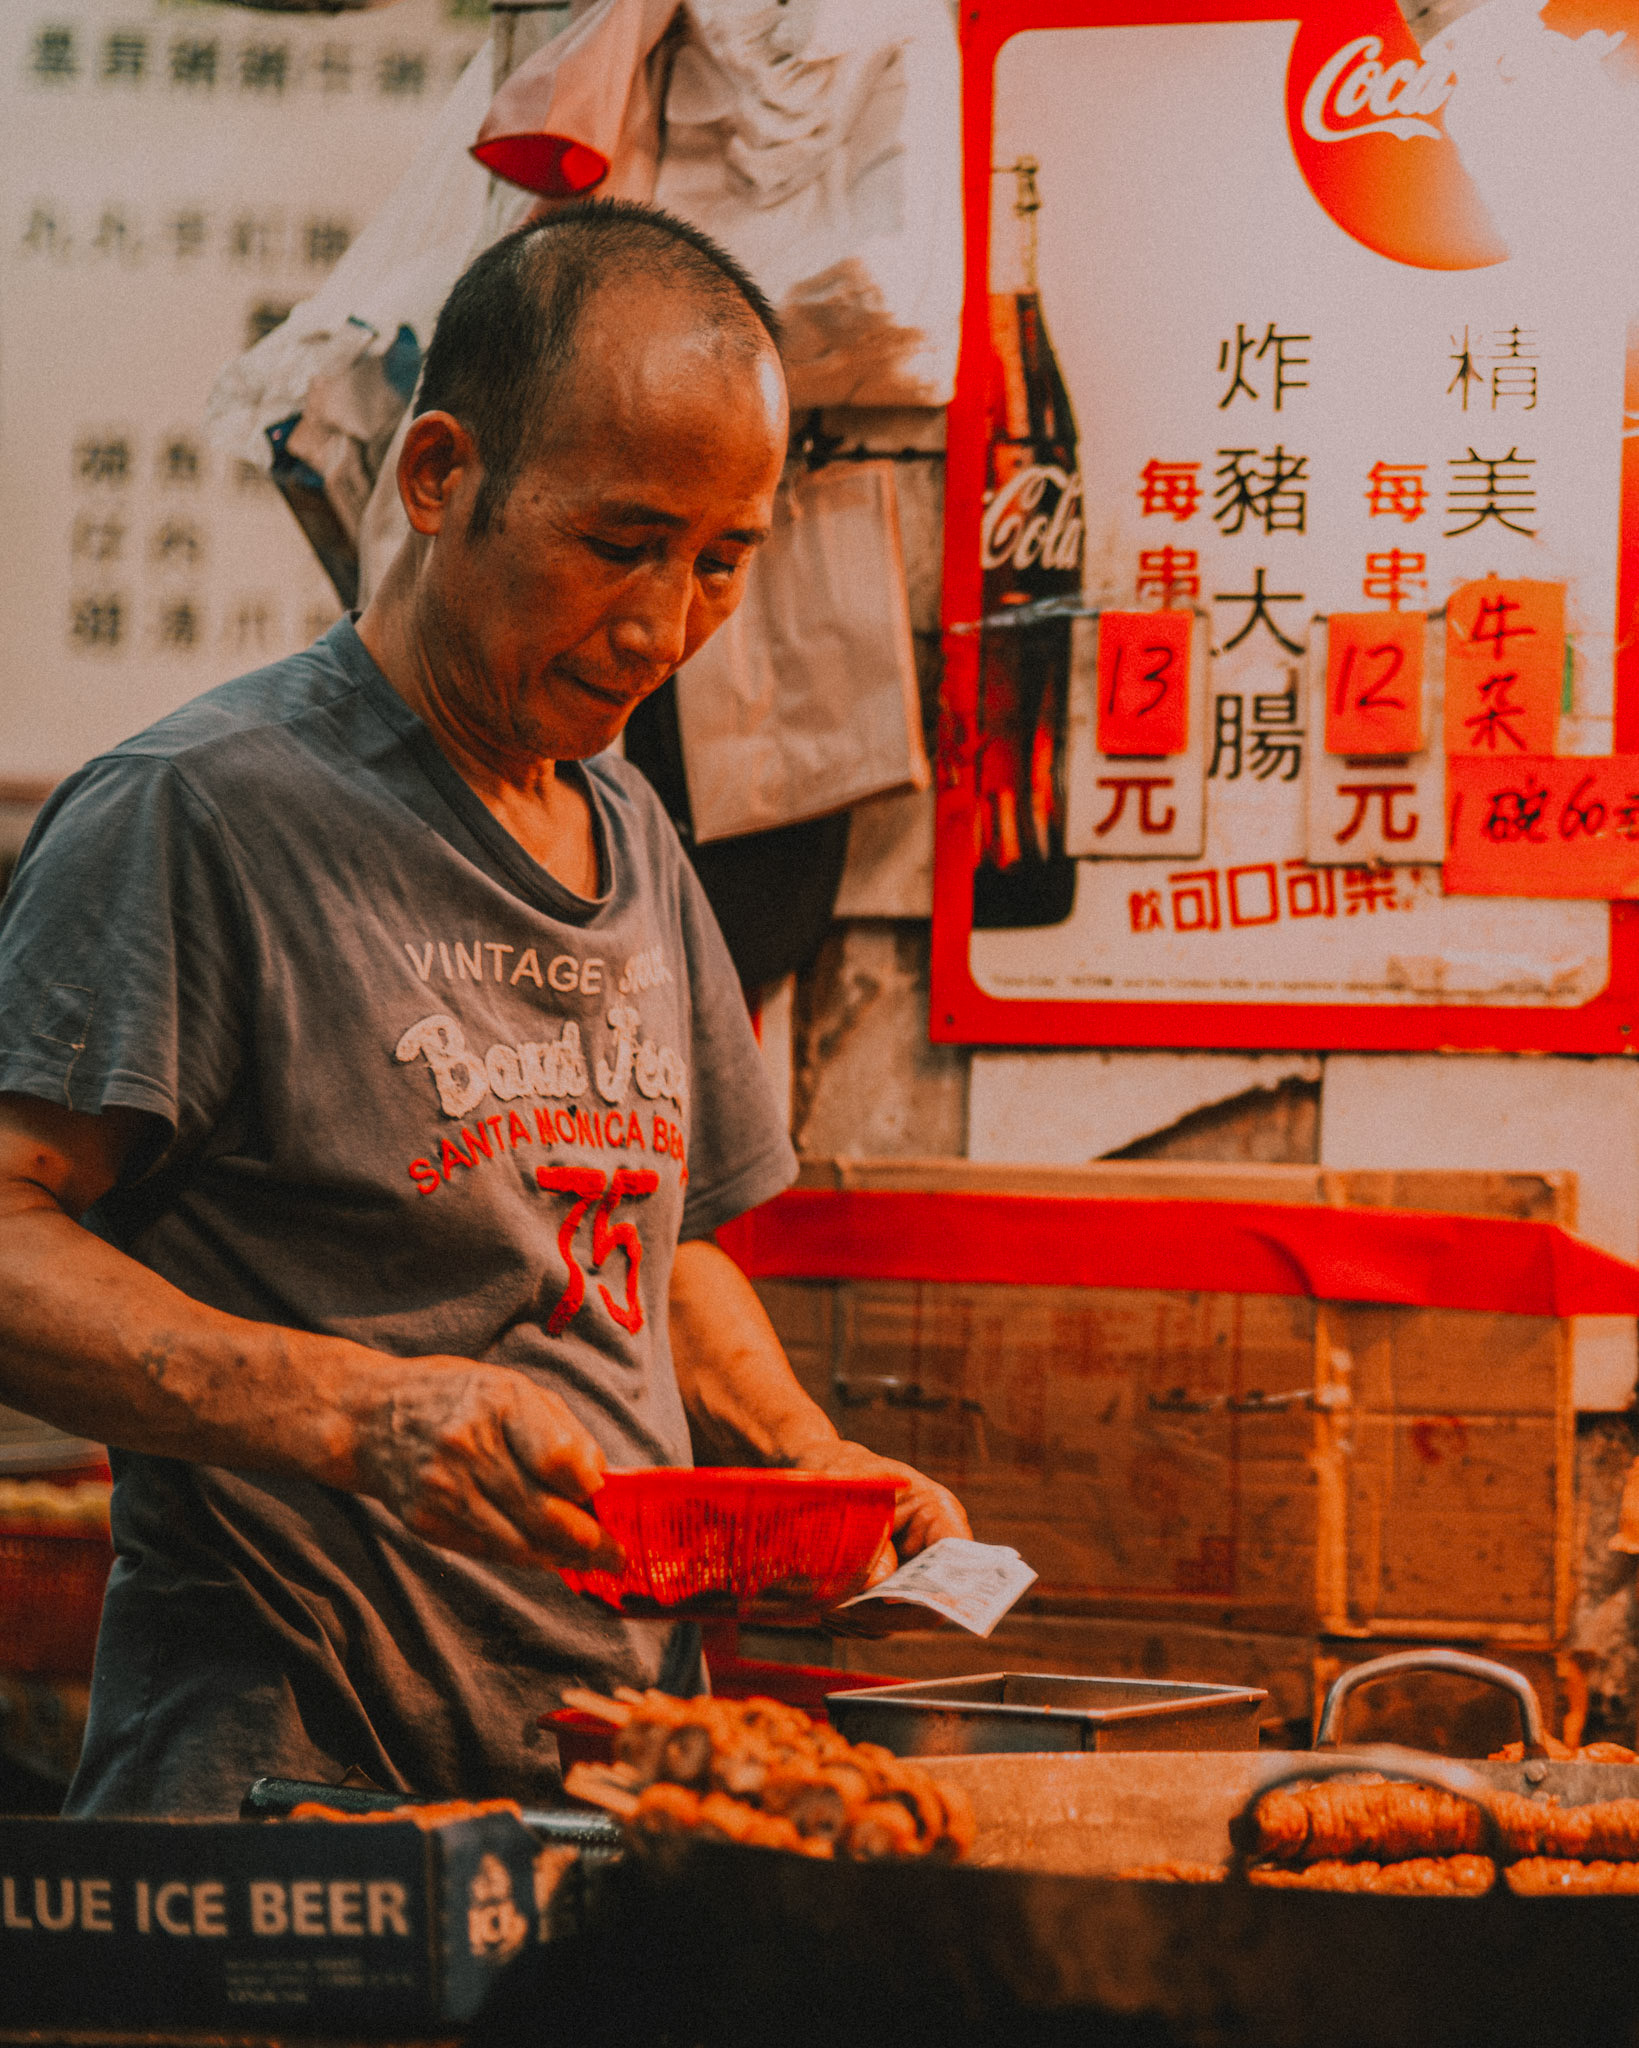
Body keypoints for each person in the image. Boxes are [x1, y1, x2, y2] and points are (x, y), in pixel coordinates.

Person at [0, 201, 968, 1817]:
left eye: (722, 560)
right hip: (282, 1790)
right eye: (620, 544)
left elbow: (673, 1245)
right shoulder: (200, 815)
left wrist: (797, 1455)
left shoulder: (632, 835)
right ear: (439, 474)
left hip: (609, 1779)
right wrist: (353, 1414)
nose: (667, 630)